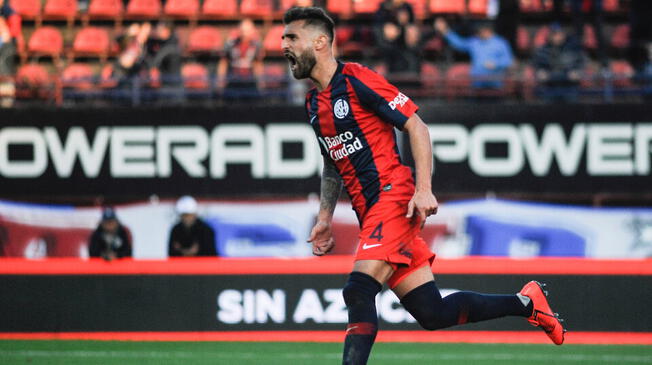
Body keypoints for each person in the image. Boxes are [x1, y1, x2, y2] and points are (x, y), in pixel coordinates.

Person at [281, 7, 565, 364]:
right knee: (433, 313)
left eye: (291, 37)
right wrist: (325, 216)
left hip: (394, 197)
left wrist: (423, 188)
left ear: (321, 42)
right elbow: (331, 163)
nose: (283, 45)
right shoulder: (312, 104)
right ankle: (526, 303)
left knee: (358, 290)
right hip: (370, 212)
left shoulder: (357, 80)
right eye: (283, 38)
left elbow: (417, 126)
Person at [435, 18, 514, 89]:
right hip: (477, 84)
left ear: (488, 30)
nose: (478, 33)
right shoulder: (475, 42)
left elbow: (509, 61)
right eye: (478, 31)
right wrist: (445, 31)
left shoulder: (501, 43)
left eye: (481, 31)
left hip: (495, 84)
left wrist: (496, 64)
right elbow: (460, 44)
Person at [532, 24, 585, 101]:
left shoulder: (573, 49)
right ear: (549, 36)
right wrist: (539, 72)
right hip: (549, 86)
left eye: (558, 34)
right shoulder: (542, 50)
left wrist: (578, 71)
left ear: (563, 34)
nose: (556, 37)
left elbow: (581, 64)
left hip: (569, 86)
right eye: (553, 34)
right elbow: (537, 66)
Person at [217, 18, 264, 102]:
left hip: (249, 81)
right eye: (243, 30)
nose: (245, 33)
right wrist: (221, 80)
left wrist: (260, 81)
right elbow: (223, 63)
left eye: (248, 30)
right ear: (239, 30)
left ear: (253, 31)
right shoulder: (230, 44)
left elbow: (257, 64)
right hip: (233, 80)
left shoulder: (256, 45)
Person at [0, 0, 17, 107]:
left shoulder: (8, 11)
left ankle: (7, 105)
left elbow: (14, 29)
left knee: (5, 76)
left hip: (5, 49)